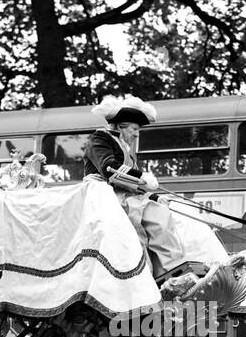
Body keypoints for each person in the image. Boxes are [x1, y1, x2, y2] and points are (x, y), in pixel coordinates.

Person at [85, 95, 205, 291]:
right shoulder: (99, 139)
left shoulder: (126, 148)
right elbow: (109, 169)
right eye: (133, 129)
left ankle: (172, 270)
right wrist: (142, 178)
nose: (136, 134)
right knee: (144, 218)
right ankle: (149, 274)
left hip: (124, 194)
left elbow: (135, 185)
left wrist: (157, 196)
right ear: (121, 126)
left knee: (159, 212)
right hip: (103, 194)